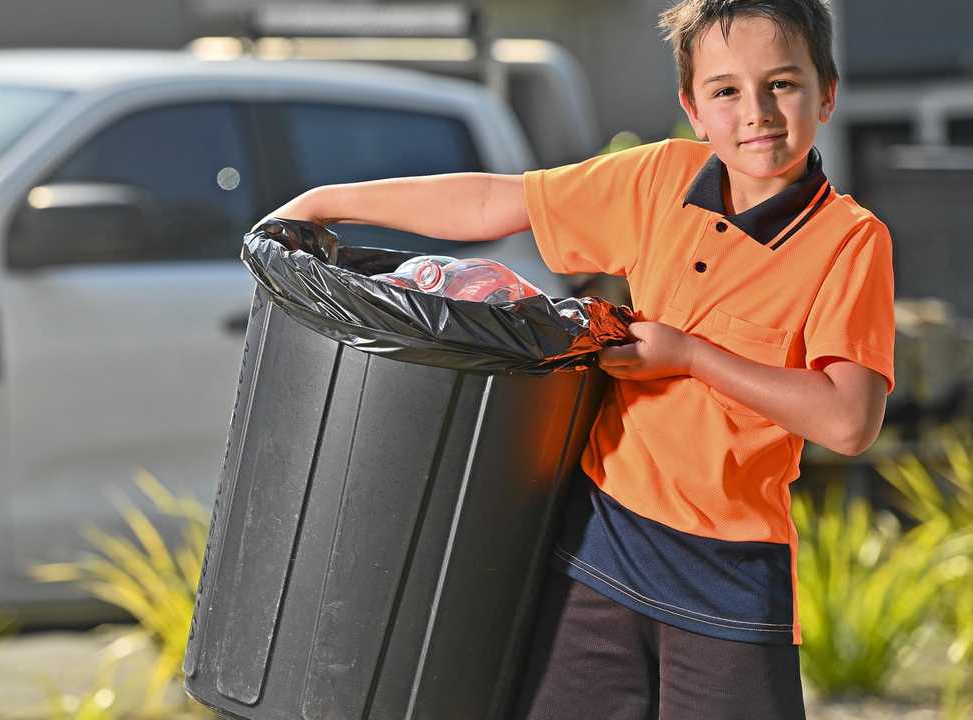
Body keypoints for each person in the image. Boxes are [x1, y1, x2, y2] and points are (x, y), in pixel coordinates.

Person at [259, 0, 894, 716]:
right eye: (726, 90)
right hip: (601, 543)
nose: (757, 111)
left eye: (782, 84)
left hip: (730, 576)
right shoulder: (659, 180)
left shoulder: (851, 242)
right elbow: (494, 204)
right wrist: (323, 203)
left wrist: (689, 355)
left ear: (827, 93)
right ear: (693, 107)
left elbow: (848, 421)